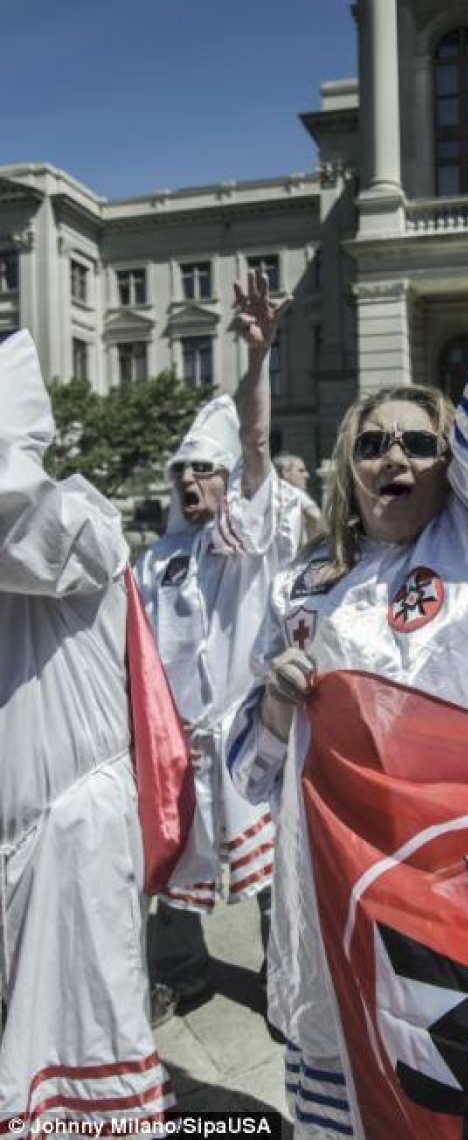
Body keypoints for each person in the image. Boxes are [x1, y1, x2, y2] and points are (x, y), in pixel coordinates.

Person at [227, 15, 468, 1137]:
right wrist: (279, 698)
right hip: (350, 912)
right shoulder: (312, 594)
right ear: (347, 471)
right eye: (373, 443)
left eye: (421, 441)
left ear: (458, 466)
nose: (397, 456)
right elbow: (256, 780)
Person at [0, 331, 172, 1125]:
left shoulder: (79, 520)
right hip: (19, 839)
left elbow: (11, 507)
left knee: (83, 1074)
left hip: (70, 840)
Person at [136, 271, 302, 1020]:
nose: (189, 480)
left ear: (229, 478)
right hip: (173, 750)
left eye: (204, 468)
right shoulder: (157, 558)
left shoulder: (243, 544)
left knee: (270, 872)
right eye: (181, 470)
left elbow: (260, 446)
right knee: (171, 862)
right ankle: (183, 972)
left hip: (247, 742)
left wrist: (258, 358)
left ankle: (282, 985)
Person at [273, 453, 323, 544]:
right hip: (295, 555)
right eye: (301, 471)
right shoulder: (294, 492)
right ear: (285, 472)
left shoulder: (270, 492)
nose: (306, 475)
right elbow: (315, 516)